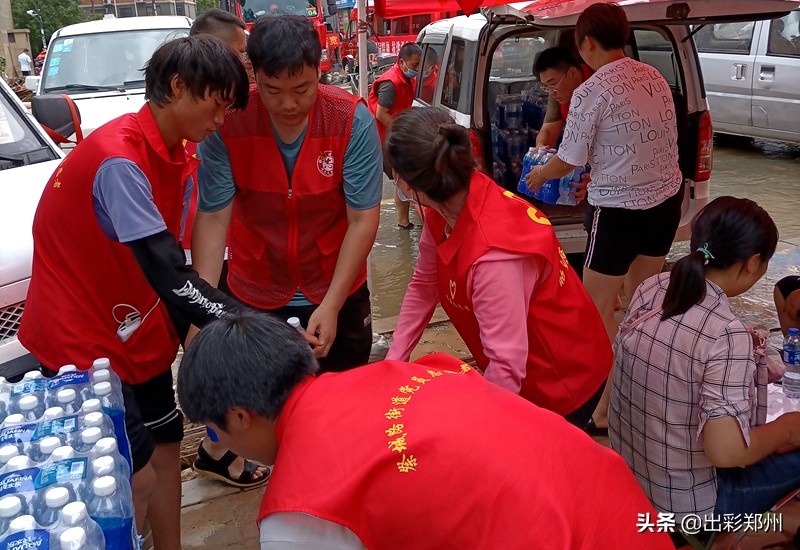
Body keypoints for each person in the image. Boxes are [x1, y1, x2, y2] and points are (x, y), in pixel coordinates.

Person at [17, 36, 250, 550]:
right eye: (218, 104)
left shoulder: (174, 152)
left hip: (133, 323)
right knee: (132, 477)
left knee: (166, 448)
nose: (221, 120)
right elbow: (171, 273)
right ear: (179, 87)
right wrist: (246, 323)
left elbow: (168, 266)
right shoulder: (119, 161)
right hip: (82, 340)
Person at [177, 311, 674, 550]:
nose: (220, 445)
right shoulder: (414, 371)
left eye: (214, 435)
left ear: (240, 416)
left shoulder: (299, 509)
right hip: (629, 516)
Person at [385, 107, 611, 425]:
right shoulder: (448, 203)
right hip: (532, 360)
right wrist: (395, 362)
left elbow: (506, 367)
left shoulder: (494, 256)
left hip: (561, 380)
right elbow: (424, 283)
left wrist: (482, 430)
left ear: (407, 184)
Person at [526, 3, 684, 434]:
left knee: (595, 310)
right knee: (643, 303)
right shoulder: (653, 76)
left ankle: (606, 405)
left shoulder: (591, 91)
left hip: (617, 213)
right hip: (665, 203)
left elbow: (569, 160)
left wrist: (540, 173)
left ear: (587, 43)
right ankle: (642, 393)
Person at [191, 16, 381, 370]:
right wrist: (199, 310)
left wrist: (333, 304)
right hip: (255, 290)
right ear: (255, 75)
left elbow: (362, 219)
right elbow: (214, 218)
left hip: (335, 285)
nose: (289, 105)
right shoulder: (229, 122)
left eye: (302, 89)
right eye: (273, 91)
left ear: (319, 71)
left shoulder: (351, 120)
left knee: (342, 398)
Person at [609, 197, 800, 530]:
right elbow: (727, 453)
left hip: (631, 479)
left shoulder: (653, 287)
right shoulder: (727, 333)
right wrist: (787, 427)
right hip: (688, 510)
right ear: (753, 264)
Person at [185, 8, 270, 489]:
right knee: (220, 372)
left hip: (215, 263)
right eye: (241, 54)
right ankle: (220, 452)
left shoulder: (224, 111)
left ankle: (216, 449)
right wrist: (200, 302)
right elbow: (210, 214)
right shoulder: (201, 123)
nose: (249, 64)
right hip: (194, 268)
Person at [368, 42, 422, 230]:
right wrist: (400, 131)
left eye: (419, 65)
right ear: (401, 62)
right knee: (402, 179)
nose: (416, 69)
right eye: (414, 65)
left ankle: (403, 220)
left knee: (402, 180)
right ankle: (402, 220)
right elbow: (381, 114)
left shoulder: (405, 78)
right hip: (385, 139)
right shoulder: (390, 83)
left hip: (394, 137)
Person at [534, 47, 593, 148]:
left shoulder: (598, 84)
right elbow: (548, 131)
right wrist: (542, 148)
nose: (551, 93)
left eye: (552, 84)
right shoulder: (556, 94)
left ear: (572, 73)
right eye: (545, 87)